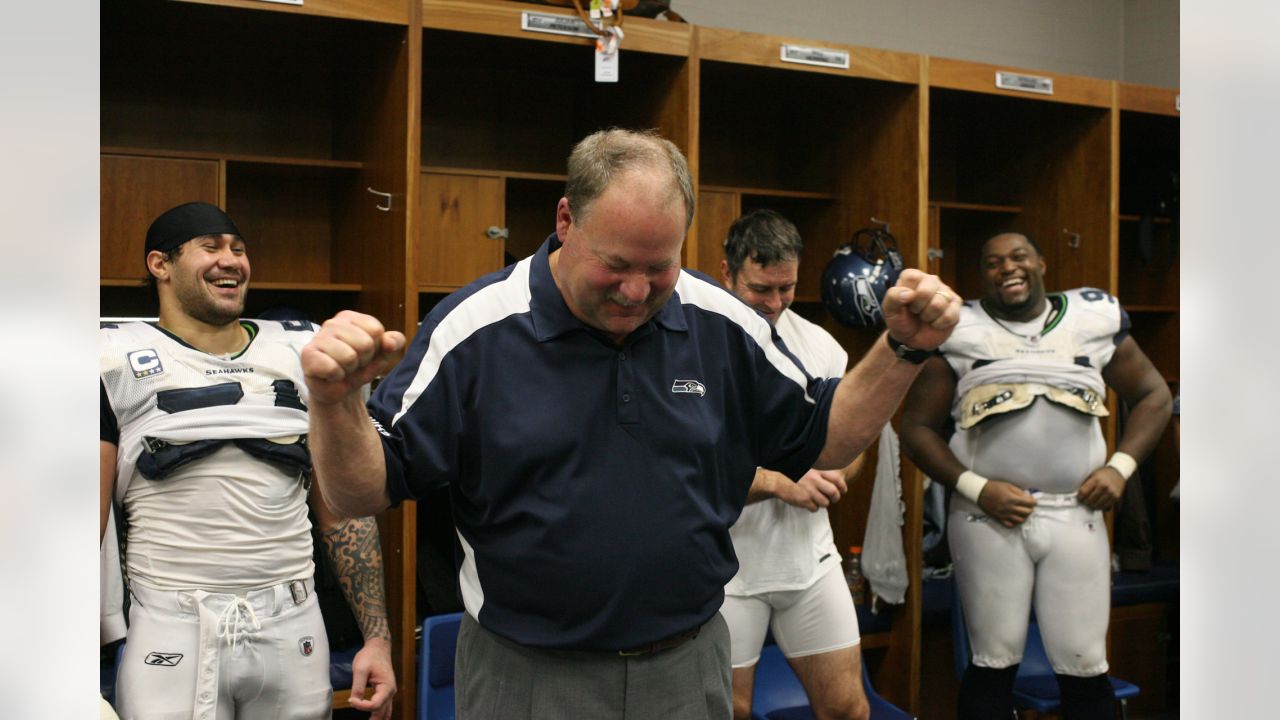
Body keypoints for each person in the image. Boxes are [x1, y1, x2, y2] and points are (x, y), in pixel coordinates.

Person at [300, 128, 961, 719]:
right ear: (566, 219)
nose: (637, 291)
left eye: (659, 267)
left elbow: (827, 436)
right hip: (528, 675)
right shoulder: (474, 330)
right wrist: (335, 404)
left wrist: (902, 349)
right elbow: (362, 490)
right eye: (615, 265)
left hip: (686, 666)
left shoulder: (720, 321)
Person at [99, 202, 397, 720]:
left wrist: (377, 637)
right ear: (160, 265)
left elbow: (343, 509)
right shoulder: (110, 361)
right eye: (210, 247)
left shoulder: (303, 350)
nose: (231, 260)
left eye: (238, 249)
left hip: (293, 620)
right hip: (173, 624)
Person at [898, 231, 1172, 720]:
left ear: (1042, 263)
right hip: (988, 518)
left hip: (1075, 510)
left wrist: (1120, 467)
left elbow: (1154, 395)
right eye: (993, 263)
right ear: (983, 274)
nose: (1008, 269)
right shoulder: (962, 328)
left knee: (1086, 663)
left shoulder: (1091, 319)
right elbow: (916, 429)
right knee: (993, 660)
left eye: (1018, 257)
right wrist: (977, 488)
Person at [717, 209, 870, 720]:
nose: (776, 303)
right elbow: (692, 473)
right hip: (728, 571)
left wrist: (835, 472)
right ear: (727, 274)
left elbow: (855, 447)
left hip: (808, 562)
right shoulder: (696, 348)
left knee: (847, 709)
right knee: (730, 712)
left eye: (787, 289)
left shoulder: (820, 346)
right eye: (762, 289)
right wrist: (784, 483)